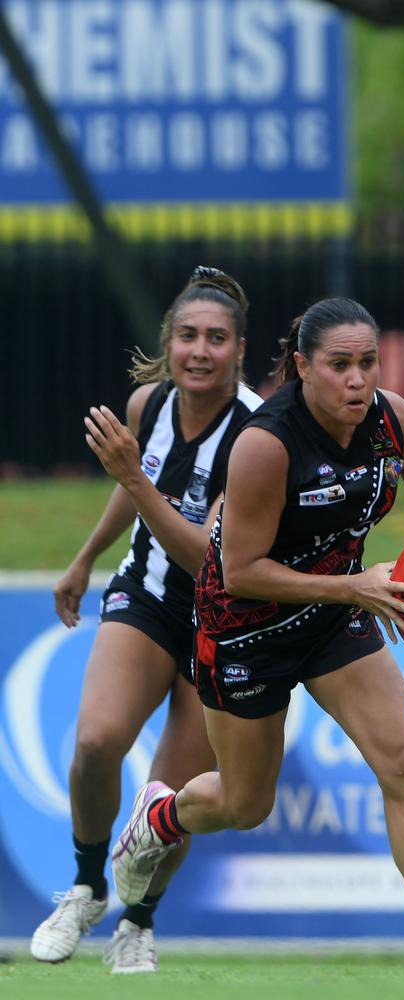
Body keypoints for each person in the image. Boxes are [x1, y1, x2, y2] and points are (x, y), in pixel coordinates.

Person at [110, 296, 404, 976]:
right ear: (302, 366)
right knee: (246, 805)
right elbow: (239, 571)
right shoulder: (265, 445)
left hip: (336, 618)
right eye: (340, 365)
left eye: (368, 363)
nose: (358, 380)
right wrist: (353, 586)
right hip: (244, 630)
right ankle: (162, 817)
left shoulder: (392, 418)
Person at [30, 266, 263, 973]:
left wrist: (134, 477)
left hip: (221, 617)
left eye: (216, 339)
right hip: (148, 596)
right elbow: (137, 496)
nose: (199, 351)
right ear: (167, 342)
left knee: (168, 799)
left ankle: (140, 920)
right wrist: (83, 558)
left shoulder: (259, 435)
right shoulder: (148, 405)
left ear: (239, 349)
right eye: (187, 335)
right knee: (97, 741)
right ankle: (86, 886)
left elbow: (209, 561)